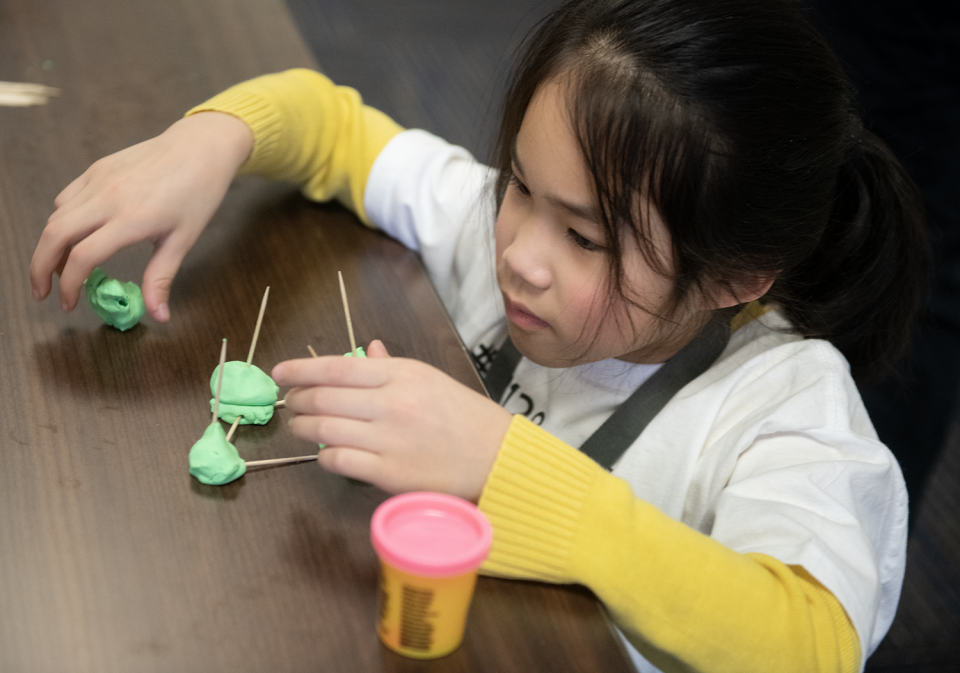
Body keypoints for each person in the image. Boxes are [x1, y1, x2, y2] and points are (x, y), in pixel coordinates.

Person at [30, 0, 928, 671]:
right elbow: (335, 128)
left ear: (733, 278)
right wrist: (213, 140)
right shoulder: (498, 225)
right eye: (522, 185)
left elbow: (810, 643)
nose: (520, 256)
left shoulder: (787, 411)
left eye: (585, 238)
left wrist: (505, 466)